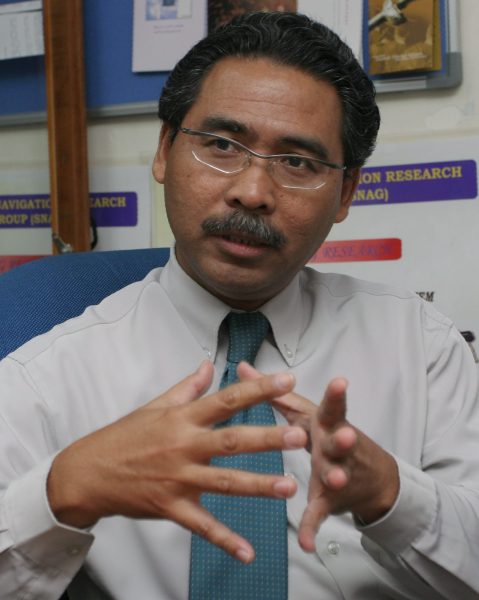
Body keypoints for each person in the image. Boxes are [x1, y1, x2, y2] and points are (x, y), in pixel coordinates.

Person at [0, 11, 478, 600]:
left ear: (346, 193)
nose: (252, 192)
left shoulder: (422, 346)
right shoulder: (47, 376)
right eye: (223, 146)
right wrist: (63, 491)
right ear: (164, 150)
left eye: (298, 162)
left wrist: (391, 495)